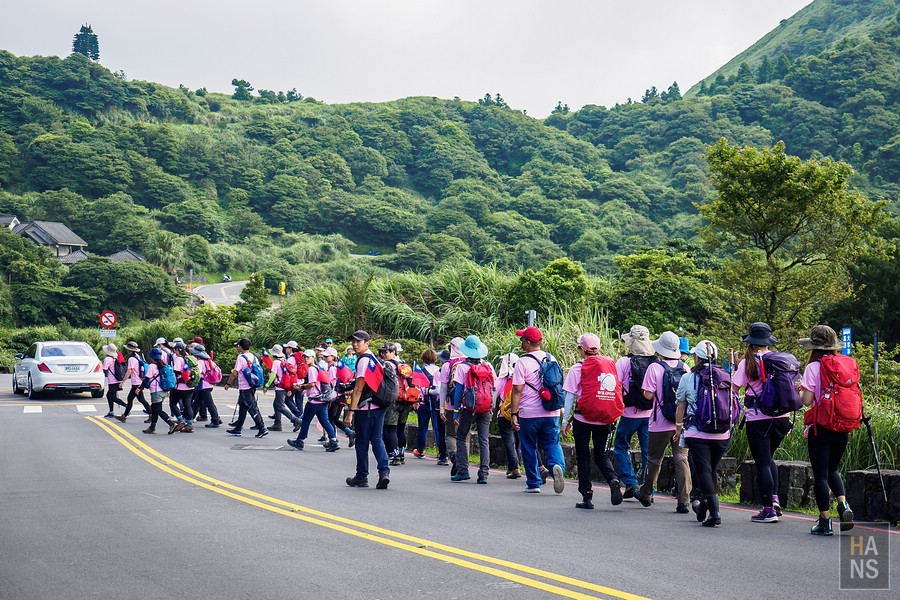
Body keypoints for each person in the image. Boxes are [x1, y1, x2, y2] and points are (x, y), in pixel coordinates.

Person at [732, 322, 792, 523]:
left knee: (762, 462)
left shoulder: (747, 363)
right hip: (783, 419)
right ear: (768, 342)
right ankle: (774, 499)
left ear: (750, 342)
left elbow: (734, 388)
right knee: (768, 458)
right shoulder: (781, 360)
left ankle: (768, 510)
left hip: (759, 419)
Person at [799, 325, 856, 535]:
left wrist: (800, 389)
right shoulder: (846, 365)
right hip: (843, 426)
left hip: (821, 427)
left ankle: (825, 522)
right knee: (833, 470)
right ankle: (843, 505)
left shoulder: (813, 367)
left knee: (821, 475)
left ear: (814, 347)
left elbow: (806, 401)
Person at [673, 340, 732, 527]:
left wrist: (678, 428)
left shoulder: (688, 378)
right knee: (711, 470)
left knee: (704, 471)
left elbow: (680, 405)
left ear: (697, 357)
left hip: (698, 433)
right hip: (722, 432)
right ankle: (704, 508)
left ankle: (714, 512)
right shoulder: (725, 375)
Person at [562, 333, 623, 508]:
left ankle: (587, 497)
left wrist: (566, 421)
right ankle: (612, 479)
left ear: (582, 350)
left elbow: (569, 397)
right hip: (604, 418)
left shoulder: (577, 368)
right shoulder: (609, 367)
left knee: (583, 457)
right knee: (601, 455)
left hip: (583, 418)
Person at [636, 331, 691, 512]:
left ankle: (646, 494)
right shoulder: (685, 368)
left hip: (659, 422)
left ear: (661, 350)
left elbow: (648, 394)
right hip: (680, 423)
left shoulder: (655, 368)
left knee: (654, 460)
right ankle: (683, 500)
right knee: (681, 459)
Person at [510, 326, 566, 494]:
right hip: (552, 412)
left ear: (527, 343)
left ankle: (534, 483)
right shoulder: (552, 358)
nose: (521, 343)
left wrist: (514, 413)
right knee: (552, 443)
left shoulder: (522, 362)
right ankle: (557, 466)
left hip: (530, 413)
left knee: (528, 445)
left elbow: (517, 390)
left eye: (522, 340)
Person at [344, 330, 391, 489]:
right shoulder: (374, 359)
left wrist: (350, 412)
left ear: (367, 343)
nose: (355, 344)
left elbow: (358, 389)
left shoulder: (364, 360)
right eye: (353, 341)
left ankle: (362, 476)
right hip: (380, 406)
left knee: (362, 442)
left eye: (359, 341)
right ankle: (384, 472)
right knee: (377, 439)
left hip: (366, 408)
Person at [614, 325, 655, 499]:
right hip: (651, 414)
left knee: (621, 447)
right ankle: (647, 490)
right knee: (648, 452)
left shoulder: (624, 362)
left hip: (629, 413)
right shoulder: (656, 362)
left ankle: (630, 483)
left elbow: (616, 387)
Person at [450, 335, 496, 484]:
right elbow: (494, 389)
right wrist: (492, 408)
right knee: (484, 440)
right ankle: (484, 474)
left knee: (462, 437)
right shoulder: (488, 366)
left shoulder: (462, 367)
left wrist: (456, 411)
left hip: (468, 408)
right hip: (485, 407)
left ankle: (463, 471)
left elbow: (458, 391)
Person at [288, 350, 340, 452]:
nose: (306, 359)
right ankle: (333, 440)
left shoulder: (312, 369)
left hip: (314, 400)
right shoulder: (318, 367)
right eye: (305, 357)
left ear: (313, 358)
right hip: (323, 399)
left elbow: (312, 384)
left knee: (305, 421)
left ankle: (300, 441)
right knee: (325, 421)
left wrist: (301, 387)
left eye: (308, 357)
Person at [223, 339, 268, 438]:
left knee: (252, 407)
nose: (236, 348)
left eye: (237, 346)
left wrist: (228, 383)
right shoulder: (254, 356)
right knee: (243, 408)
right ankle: (238, 429)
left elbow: (235, 372)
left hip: (245, 387)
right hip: (252, 385)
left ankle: (261, 428)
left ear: (240, 346)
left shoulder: (241, 357)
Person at [438, 338, 466, 471]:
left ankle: (454, 457)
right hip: (468, 405)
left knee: (450, 434)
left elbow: (443, 388)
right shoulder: (472, 362)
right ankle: (463, 461)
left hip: (450, 405)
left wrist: (441, 408)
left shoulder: (447, 365)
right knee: (464, 434)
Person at [414, 349, 445, 462]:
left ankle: (421, 450)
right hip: (437, 403)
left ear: (423, 358)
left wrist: (416, 401)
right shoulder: (439, 370)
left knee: (423, 427)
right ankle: (440, 451)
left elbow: (417, 388)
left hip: (423, 403)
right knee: (437, 428)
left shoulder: (420, 371)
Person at [382, 344, 411, 465]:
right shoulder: (405, 365)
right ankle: (401, 454)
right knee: (401, 428)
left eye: (386, 352)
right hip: (406, 400)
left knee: (390, 429)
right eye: (381, 352)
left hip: (393, 400)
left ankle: (394, 456)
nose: (383, 355)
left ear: (393, 352)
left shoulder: (387, 365)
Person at [494, 353, 521, 479]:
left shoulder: (501, 380)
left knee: (509, 443)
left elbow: (494, 395)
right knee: (518, 442)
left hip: (504, 414)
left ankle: (514, 468)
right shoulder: (521, 377)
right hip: (520, 413)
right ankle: (513, 467)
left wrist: (491, 410)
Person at [322, 347, 355, 446]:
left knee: (330, 419)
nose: (324, 357)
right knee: (335, 419)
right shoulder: (339, 365)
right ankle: (349, 432)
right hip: (341, 396)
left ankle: (333, 440)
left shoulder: (332, 367)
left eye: (326, 356)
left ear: (332, 356)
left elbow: (331, 382)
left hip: (335, 396)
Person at [263, 344, 301, 433]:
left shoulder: (276, 362)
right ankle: (277, 423)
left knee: (279, 406)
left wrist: (267, 386)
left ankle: (295, 420)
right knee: (276, 404)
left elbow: (273, 375)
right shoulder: (283, 361)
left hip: (280, 388)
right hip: (285, 386)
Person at [142, 348, 179, 435]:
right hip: (163, 391)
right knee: (155, 409)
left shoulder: (152, 366)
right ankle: (152, 427)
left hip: (156, 391)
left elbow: (147, 379)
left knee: (158, 410)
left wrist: (139, 388)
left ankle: (171, 424)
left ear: (152, 357)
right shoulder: (164, 365)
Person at [116, 341, 149, 423]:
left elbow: (129, 371)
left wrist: (122, 382)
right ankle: (124, 416)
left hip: (136, 383)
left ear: (130, 350)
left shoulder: (131, 359)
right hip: (139, 381)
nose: (127, 351)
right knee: (133, 399)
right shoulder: (138, 356)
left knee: (140, 400)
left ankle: (152, 414)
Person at [190, 344, 222, 428]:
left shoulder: (200, 362)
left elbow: (198, 374)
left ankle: (215, 421)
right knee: (197, 402)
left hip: (204, 385)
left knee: (209, 403)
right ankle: (189, 419)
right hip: (209, 384)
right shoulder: (209, 360)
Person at [170, 341, 195, 433]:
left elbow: (176, 372)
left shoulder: (179, 359)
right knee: (187, 405)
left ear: (177, 350)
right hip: (190, 386)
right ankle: (190, 424)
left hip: (180, 386)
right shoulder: (189, 357)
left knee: (173, 403)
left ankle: (180, 421)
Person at [101, 343, 127, 419]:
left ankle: (127, 406)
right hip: (118, 379)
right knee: (110, 396)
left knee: (112, 397)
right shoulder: (117, 357)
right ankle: (111, 411)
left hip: (112, 381)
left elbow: (105, 369)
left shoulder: (107, 359)